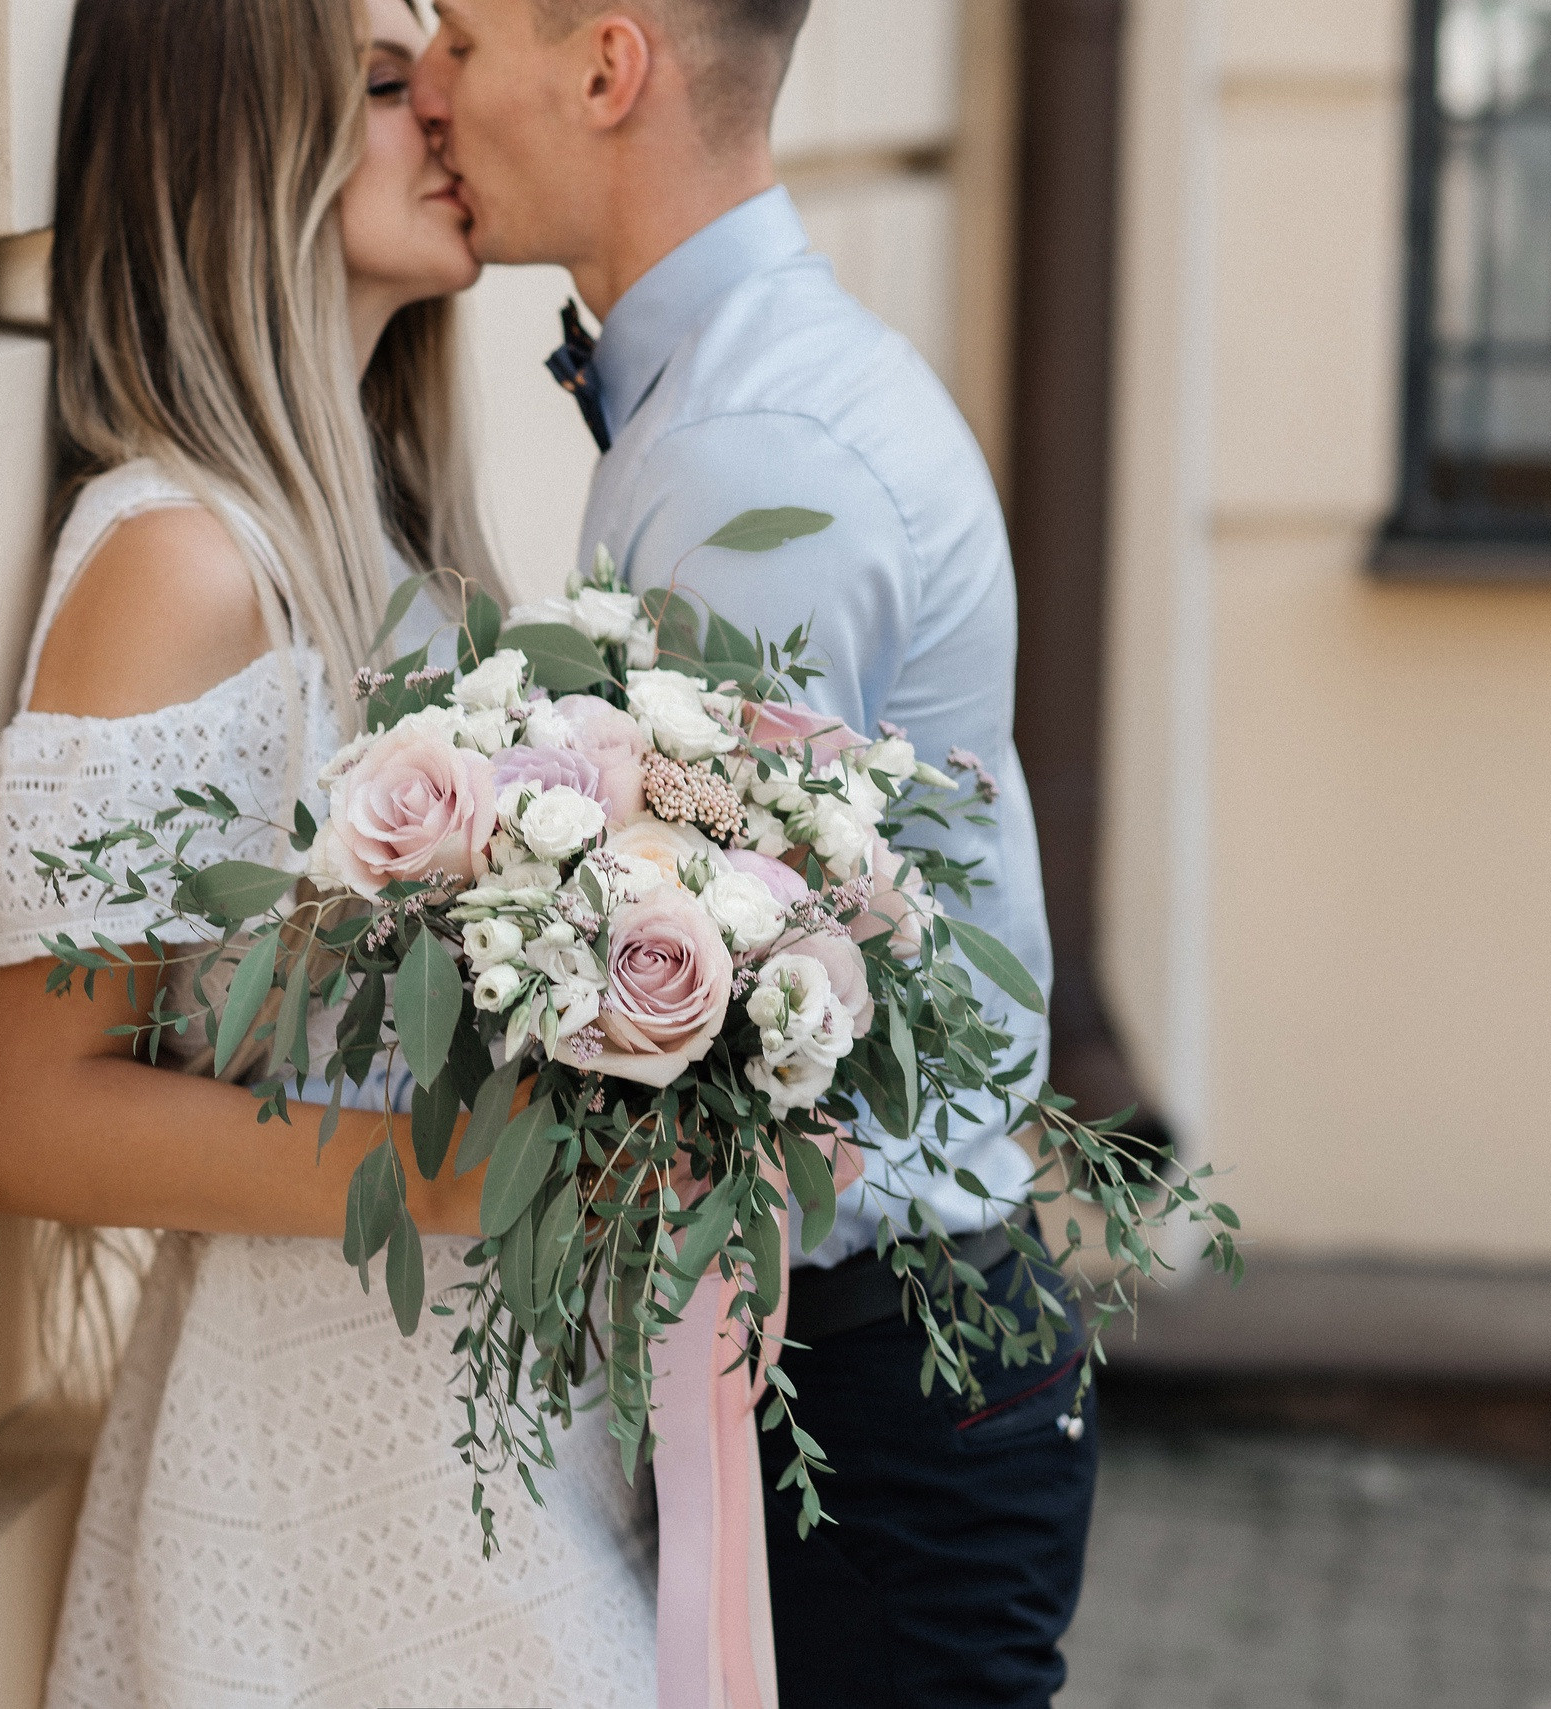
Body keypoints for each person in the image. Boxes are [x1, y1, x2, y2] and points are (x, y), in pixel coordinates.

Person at [0, 1, 655, 1703]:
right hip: (318, 1473)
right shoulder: (180, 561)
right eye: (376, 82)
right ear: (233, 148)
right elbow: (34, 1108)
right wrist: (433, 1170)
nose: (447, 106)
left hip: (494, 1442)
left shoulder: (400, 540)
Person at [412, 4, 1099, 1705]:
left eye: (461, 37)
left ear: (606, 67)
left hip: (862, 1402)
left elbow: (697, 1024)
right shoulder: (754, 391)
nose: (425, 88)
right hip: (878, 1368)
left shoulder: (743, 460)